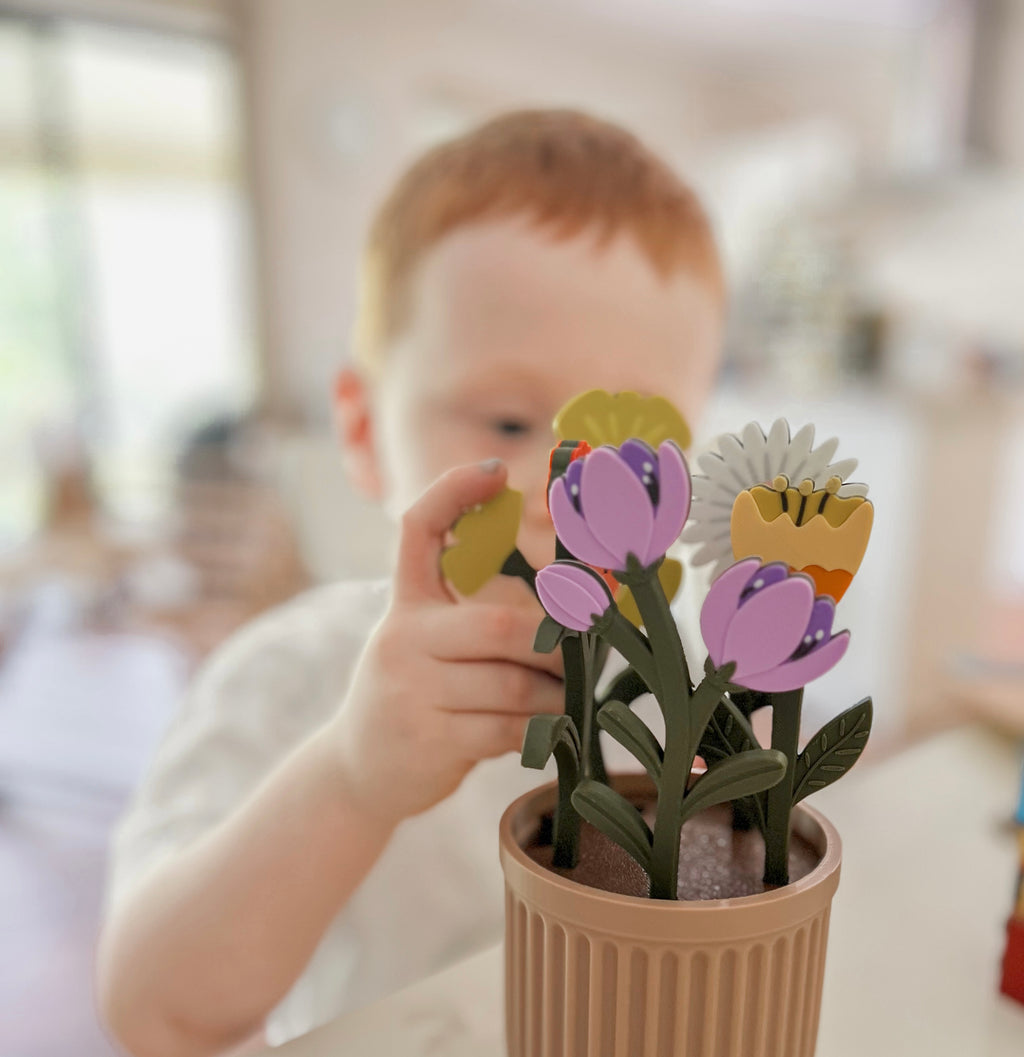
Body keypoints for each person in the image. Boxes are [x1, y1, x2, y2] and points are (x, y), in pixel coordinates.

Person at [97, 109, 725, 1056]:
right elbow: (156, 1011)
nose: (568, 484)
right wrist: (351, 775)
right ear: (361, 431)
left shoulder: (689, 675)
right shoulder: (289, 679)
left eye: (629, 443)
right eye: (510, 423)